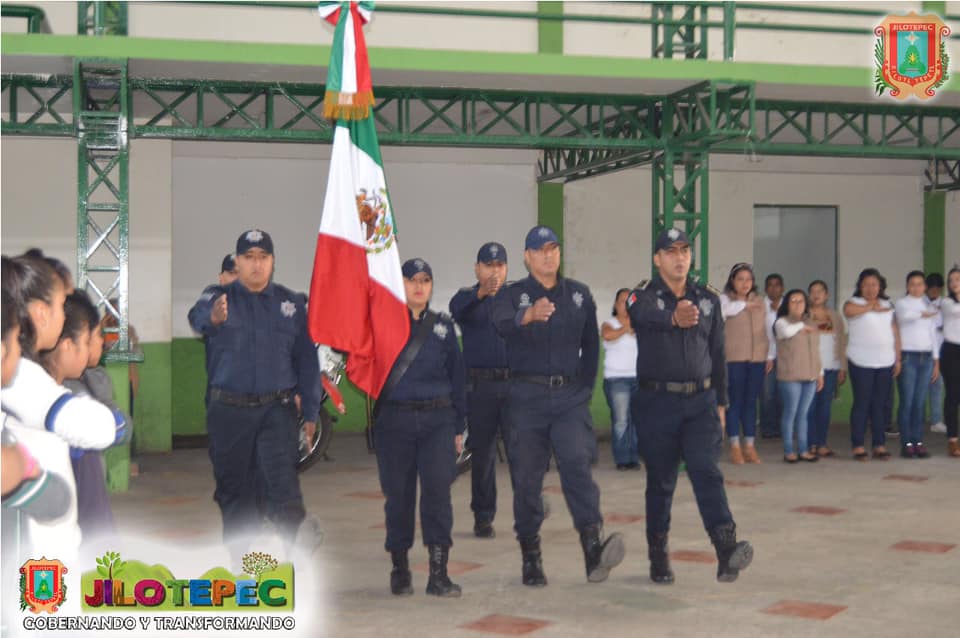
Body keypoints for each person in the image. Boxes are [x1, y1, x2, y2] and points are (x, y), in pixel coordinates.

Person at [492, 225, 625, 587]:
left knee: (578, 468)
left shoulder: (578, 295)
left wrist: (583, 389)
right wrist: (528, 316)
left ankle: (592, 548)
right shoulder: (513, 295)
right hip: (526, 399)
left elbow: (591, 347)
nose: (548, 254)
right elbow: (500, 324)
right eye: (540, 249)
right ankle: (531, 555)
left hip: (569, 399)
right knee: (527, 480)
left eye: (553, 248)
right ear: (527, 256)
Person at [187, 229, 321, 565]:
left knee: (284, 489)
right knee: (235, 494)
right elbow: (198, 317)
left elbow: (306, 359)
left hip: (276, 411)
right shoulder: (218, 297)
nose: (256, 265)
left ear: (273, 262)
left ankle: (290, 560)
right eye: (249, 258)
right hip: (229, 413)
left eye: (263, 257)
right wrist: (213, 317)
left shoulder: (290, 304)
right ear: (238, 261)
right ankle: (241, 565)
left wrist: (313, 412)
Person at [627, 228, 753, 585]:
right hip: (656, 403)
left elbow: (718, 354)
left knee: (706, 470)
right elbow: (641, 315)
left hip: (701, 402)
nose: (680, 257)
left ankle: (725, 547)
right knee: (661, 481)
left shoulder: (708, 299)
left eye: (684, 250)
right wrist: (672, 318)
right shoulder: (643, 297)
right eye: (671, 251)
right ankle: (658, 554)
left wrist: (723, 403)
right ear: (657, 259)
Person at [376, 258, 466, 598]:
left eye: (426, 280)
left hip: (438, 422)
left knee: (438, 496)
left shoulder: (442, 327)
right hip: (395, 422)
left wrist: (459, 425)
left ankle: (438, 573)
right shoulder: (383, 324)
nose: (419, 286)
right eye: (412, 279)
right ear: (401, 285)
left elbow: (457, 378)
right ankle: (400, 568)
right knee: (398, 496)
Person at [449, 242, 512, 538]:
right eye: (488, 265)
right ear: (477, 268)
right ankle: (483, 516)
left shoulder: (517, 299)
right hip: (481, 387)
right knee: (484, 456)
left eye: (499, 265)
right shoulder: (467, 299)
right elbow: (455, 309)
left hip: (514, 386)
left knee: (525, 452)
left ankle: (529, 512)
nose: (494, 271)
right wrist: (481, 293)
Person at [843, 268, 900, 461]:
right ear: (860, 286)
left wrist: (898, 358)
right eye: (866, 284)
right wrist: (870, 307)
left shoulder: (888, 305)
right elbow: (849, 312)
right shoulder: (853, 303)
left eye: (874, 284)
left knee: (880, 405)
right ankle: (858, 445)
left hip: (885, 361)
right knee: (862, 403)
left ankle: (879, 444)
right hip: (861, 362)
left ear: (880, 286)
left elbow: (895, 333)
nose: (870, 288)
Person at [719, 263, 768, 464]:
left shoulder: (761, 301)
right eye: (740, 279)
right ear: (732, 281)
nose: (745, 283)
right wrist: (745, 305)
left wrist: (769, 356)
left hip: (757, 359)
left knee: (751, 403)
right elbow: (726, 311)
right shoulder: (724, 300)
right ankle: (735, 446)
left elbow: (768, 329)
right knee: (735, 403)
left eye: (748, 279)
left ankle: (749, 445)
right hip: (734, 359)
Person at [894, 271, 940, 458]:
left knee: (920, 403)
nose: (916, 287)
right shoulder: (902, 303)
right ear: (907, 286)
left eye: (920, 284)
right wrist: (924, 314)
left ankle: (918, 441)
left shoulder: (927, 304)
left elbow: (933, 334)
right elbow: (905, 317)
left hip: (927, 357)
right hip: (908, 357)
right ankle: (906, 443)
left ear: (925, 287)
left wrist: (936, 361)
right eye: (912, 284)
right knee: (907, 401)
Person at [774, 289, 823, 463]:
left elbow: (816, 351)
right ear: (786, 304)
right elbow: (786, 333)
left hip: (810, 375)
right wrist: (802, 326)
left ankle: (803, 449)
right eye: (793, 301)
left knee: (803, 414)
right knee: (791, 413)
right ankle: (789, 450)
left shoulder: (811, 323)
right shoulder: (781, 322)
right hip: (790, 376)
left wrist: (820, 373)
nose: (797, 304)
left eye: (801, 301)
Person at [806, 280, 846, 457]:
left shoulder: (835, 316)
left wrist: (842, 367)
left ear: (827, 294)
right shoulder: (804, 315)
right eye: (812, 291)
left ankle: (822, 443)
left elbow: (842, 342)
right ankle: (809, 443)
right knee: (810, 406)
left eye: (820, 291)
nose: (816, 294)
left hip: (831, 367)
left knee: (824, 407)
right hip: (809, 368)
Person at [602, 288, 641, 470]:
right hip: (617, 380)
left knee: (636, 421)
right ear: (615, 305)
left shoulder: (641, 325)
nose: (625, 305)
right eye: (621, 301)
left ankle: (634, 457)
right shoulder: (608, 323)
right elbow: (607, 335)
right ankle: (622, 459)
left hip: (639, 378)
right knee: (621, 421)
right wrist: (626, 328)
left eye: (629, 301)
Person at [759, 274, 784, 439]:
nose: (773, 288)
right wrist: (767, 356)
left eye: (777, 285)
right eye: (770, 285)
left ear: (782, 288)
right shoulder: (760, 306)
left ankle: (782, 428)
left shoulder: (790, 305)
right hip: (766, 356)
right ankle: (768, 428)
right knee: (767, 394)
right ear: (765, 288)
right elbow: (760, 333)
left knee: (783, 394)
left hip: (787, 357)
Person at [939, 267, 960, 457]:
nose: (954, 283)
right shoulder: (946, 303)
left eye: (958, 279)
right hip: (952, 350)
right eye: (951, 280)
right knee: (953, 395)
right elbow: (955, 312)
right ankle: (953, 440)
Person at [925, 273, 947, 434]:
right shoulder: (919, 302)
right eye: (932, 289)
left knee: (937, 386)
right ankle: (916, 419)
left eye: (937, 289)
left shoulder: (945, 304)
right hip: (922, 350)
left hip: (940, 351)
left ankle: (936, 420)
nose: (934, 292)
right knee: (917, 390)